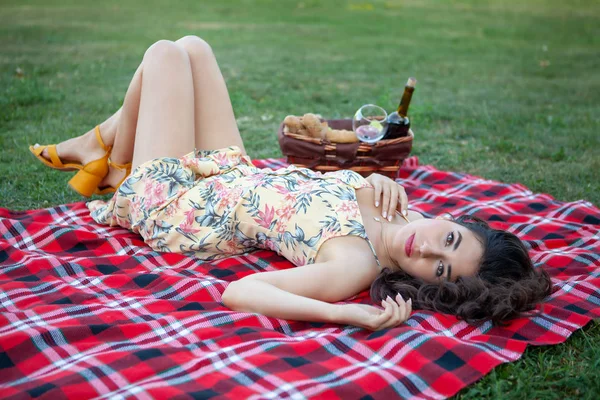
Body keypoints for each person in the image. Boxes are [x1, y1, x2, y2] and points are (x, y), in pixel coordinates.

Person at [29, 36, 552, 331]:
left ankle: (106, 153)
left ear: (429, 285)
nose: (428, 246)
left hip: (181, 207)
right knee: (193, 48)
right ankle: (108, 149)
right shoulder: (405, 214)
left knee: (164, 56)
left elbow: (240, 292)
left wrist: (342, 312)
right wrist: (372, 183)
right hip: (232, 172)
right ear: (457, 222)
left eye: (439, 268)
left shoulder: (352, 265)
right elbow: (365, 192)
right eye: (452, 238)